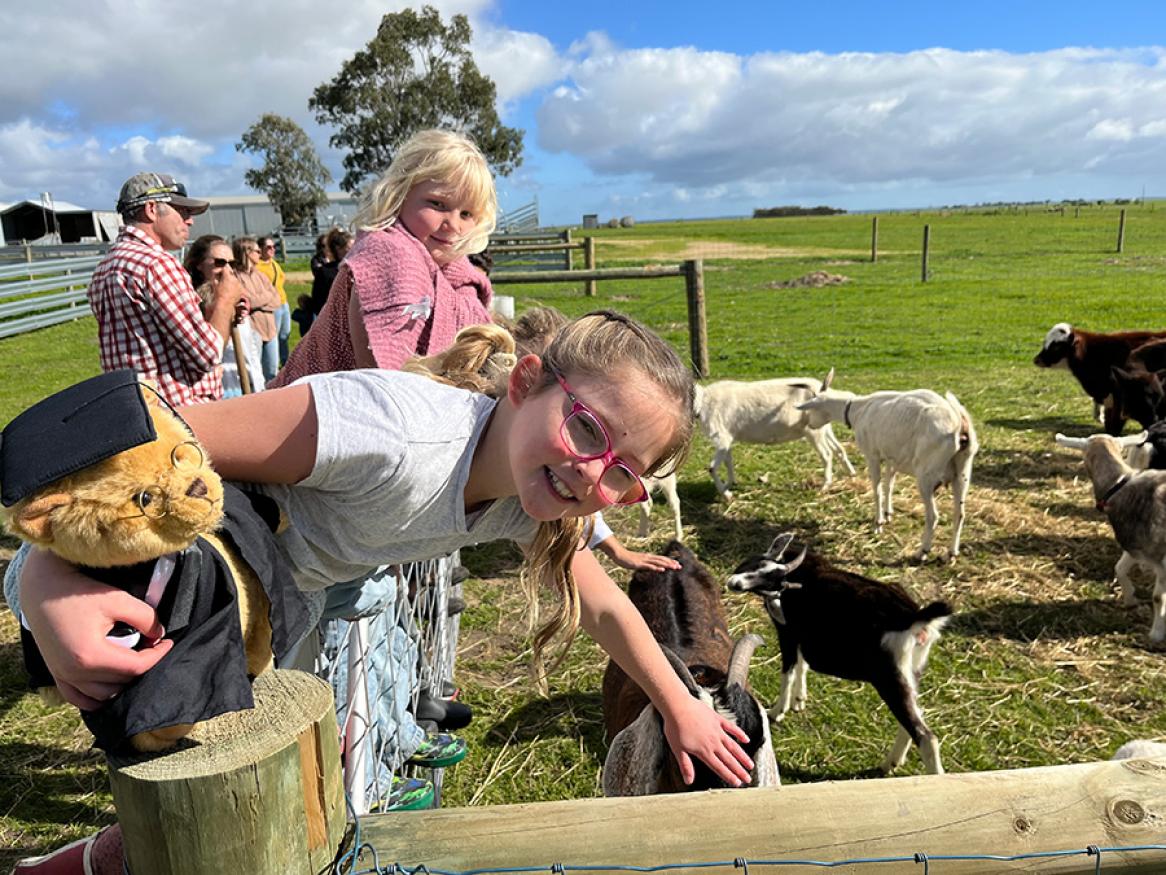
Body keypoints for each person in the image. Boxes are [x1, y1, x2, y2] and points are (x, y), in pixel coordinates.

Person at [13, 310, 754, 875]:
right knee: (194, 747)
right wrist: (42, 577)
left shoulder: (525, 491)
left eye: (624, 471)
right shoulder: (392, 433)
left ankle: (92, 860)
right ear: (526, 384)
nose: (594, 474)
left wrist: (682, 702)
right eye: (588, 429)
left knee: (239, 777)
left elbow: (600, 602)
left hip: (275, 600)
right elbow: (150, 442)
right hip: (180, 559)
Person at [269, 129, 494, 389]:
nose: (453, 224)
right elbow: (382, 383)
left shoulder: (459, 275)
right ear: (400, 194)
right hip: (325, 409)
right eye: (438, 204)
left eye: (466, 213)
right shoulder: (389, 257)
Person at [87, 172, 244, 407]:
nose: (189, 220)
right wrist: (225, 301)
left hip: (135, 410)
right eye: (182, 211)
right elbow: (207, 353)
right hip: (178, 416)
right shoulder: (156, 265)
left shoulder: (105, 268)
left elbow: (159, 338)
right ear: (151, 209)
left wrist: (214, 312)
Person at [182, 235, 264, 396]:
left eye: (231, 263)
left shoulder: (237, 295)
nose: (227, 270)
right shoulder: (190, 299)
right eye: (219, 263)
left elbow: (249, 347)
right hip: (215, 383)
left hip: (244, 377)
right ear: (199, 265)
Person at [233, 237, 282, 382]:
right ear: (247, 252)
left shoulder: (260, 275)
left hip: (271, 330)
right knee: (255, 374)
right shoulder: (235, 276)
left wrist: (259, 301)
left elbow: (277, 299)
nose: (260, 254)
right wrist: (266, 297)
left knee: (272, 372)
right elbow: (247, 301)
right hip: (253, 331)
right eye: (257, 251)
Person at [255, 235, 291, 366]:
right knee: (273, 337)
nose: (272, 249)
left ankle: (286, 362)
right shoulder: (257, 266)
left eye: (273, 247)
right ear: (260, 249)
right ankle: (273, 363)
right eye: (268, 247)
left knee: (285, 335)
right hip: (272, 306)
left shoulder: (273, 263)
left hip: (283, 302)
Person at [310, 227, 353, 319]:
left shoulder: (357, 268)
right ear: (339, 249)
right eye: (350, 247)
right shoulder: (325, 272)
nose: (354, 250)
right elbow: (318, 301)